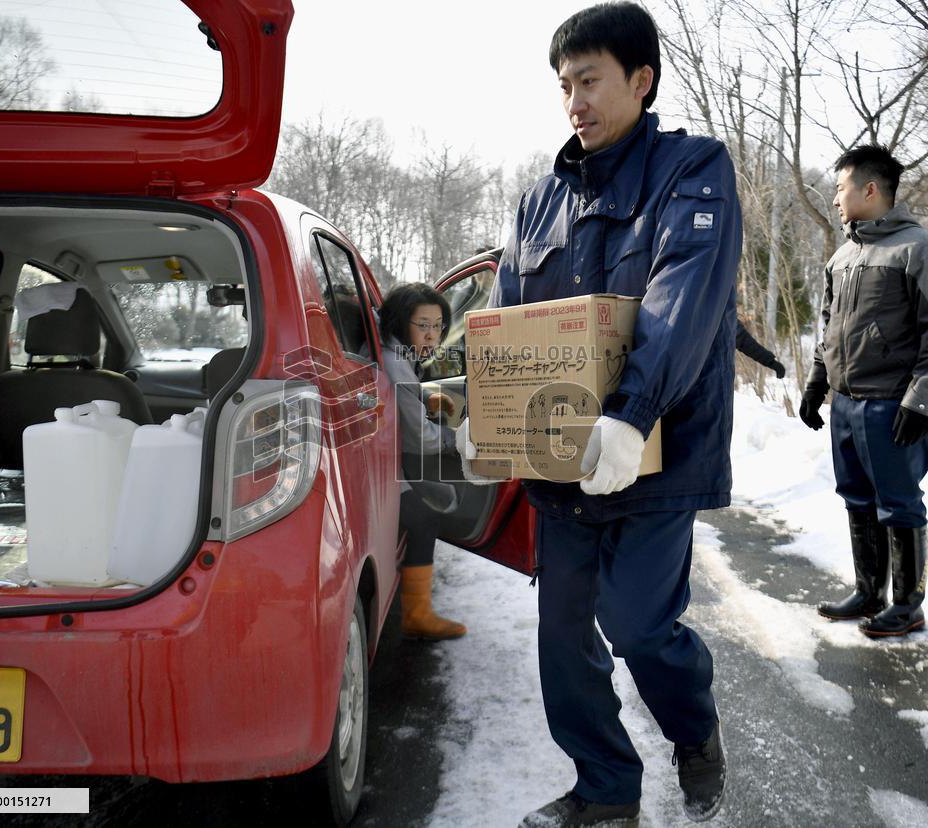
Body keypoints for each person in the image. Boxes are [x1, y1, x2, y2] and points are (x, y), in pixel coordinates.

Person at [454, 4, 742, 825]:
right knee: (564, 636)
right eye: (563, 85)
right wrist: (488, 408)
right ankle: (605, 789)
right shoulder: (537, 203)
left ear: (640, 80)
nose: (574, 99)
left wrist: (630, 412)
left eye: (590, 80)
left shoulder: (694, 170)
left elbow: (680, 298)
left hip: (657, 451)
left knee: (640, 624)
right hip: (558, 461)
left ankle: (695, 732)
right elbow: (505, 320)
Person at [800, 144, 928, 638]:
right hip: (847, 403)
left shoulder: (914, 248)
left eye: (840, 188)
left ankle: (909, 603)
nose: (835, 199)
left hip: (892, 405)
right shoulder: (842, 255)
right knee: (856, 495)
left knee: (899, 502)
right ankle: (869, 590)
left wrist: (920, 399)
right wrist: (815, 384)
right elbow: (829, 326)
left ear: (870, 190)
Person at [380, 282, 466, 640]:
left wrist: (427, 401)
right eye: (423, 325)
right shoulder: (395, 361)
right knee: (425, 515)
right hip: (385, 473)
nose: (432, 335)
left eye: (438, 326)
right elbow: (421, 438)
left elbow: (404, 405)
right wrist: (454, 441)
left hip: (388, 466)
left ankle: (416, 609)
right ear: (402, 322)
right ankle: (417, 614)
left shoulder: (396, 354)